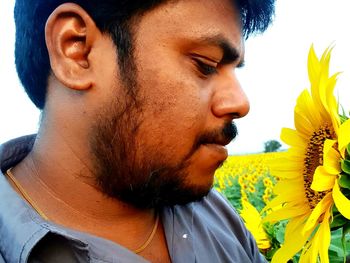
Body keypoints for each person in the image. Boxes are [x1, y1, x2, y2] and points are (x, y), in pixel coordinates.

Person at [0, 0, 275, 262]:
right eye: (205, 64)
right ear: (76, 49)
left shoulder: (215, 214)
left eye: (234, 70)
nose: (240, 102)